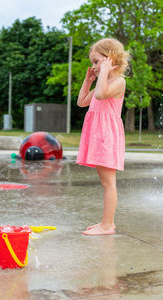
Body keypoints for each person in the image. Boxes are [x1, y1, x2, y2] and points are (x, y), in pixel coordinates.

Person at [76, 38, 130, 235]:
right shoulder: (102, 82)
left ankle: (107, 225)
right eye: (93, 63)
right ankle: (106, 223)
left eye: (97, 61)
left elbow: (100, 95)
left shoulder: (118, 82)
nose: (94, 66)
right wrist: (88, 80)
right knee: (105, 182)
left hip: (107, 136)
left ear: (110, 59)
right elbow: (82, 101)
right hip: (98, 135)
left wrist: (104, 72)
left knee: (109, 183)